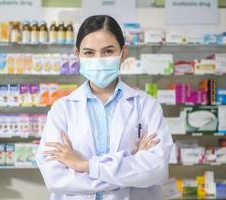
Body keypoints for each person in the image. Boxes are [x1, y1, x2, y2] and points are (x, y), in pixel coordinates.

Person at [36, 15, 173, 200]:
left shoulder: (147, 106)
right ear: (78, 55)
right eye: (89, 53)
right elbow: (55, 179)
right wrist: (130, 168)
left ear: (123, 53)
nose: (98, 59)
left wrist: (83, 165)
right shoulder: (62, 109)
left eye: (108, 51)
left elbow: (156, 170)